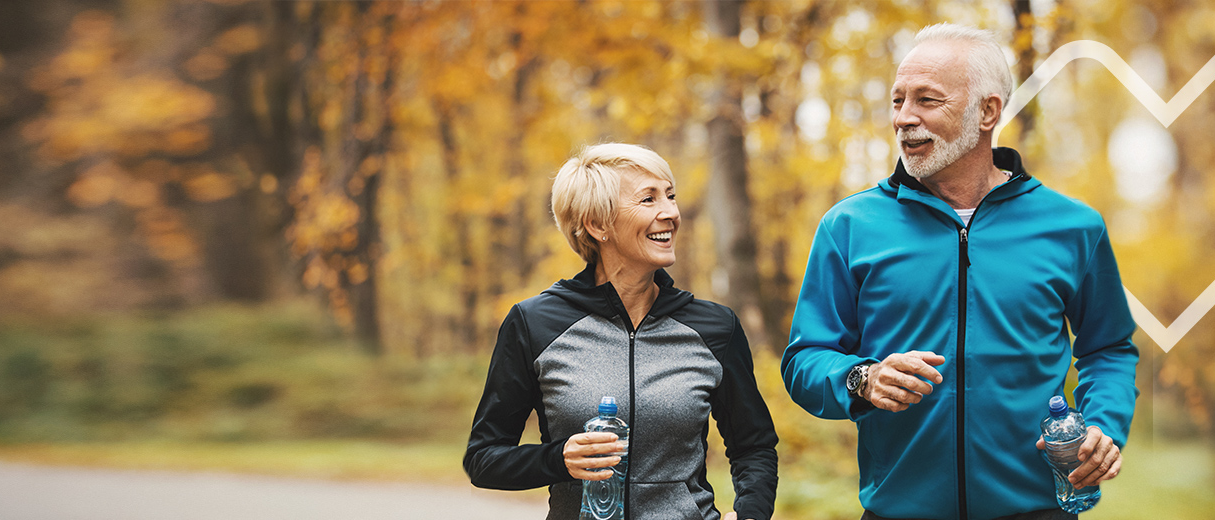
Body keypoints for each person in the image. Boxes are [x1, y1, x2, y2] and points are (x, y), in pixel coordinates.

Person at [780, 24, 1139, 520]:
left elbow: (1109, 348)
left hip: (1038, 510)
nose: (904, 118)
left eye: (927, 100)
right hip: (898, 513)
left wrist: (1104, 425)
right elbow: (804, 360)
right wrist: (863, 377)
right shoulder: (849, 226)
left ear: (987, 112)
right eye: (898, 100)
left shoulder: (1073, 227)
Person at [465, 143, 779, 520]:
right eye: (648, 199)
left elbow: (754, 447)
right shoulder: (534, 323)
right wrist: (558, 459)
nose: (671, 212)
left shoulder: (714, 327)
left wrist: (751, 514)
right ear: (598, 225)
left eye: (671, 196)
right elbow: (483, 459)